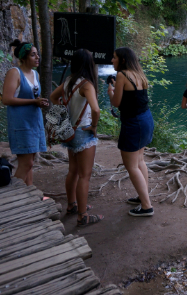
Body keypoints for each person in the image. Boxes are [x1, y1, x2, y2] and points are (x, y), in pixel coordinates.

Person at [50, 49, 103, 226]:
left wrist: (64, 111)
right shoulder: (86, 85)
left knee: (73, 171)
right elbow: (96, 109)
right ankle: (82, 215)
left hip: (69, 132)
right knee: (85, 176)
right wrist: (94, 126)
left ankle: (72, 205)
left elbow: (52, 97)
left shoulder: (68, 82)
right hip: (83, 132)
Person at [107, 47, 155, 217]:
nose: (112, 60)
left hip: (134, 123)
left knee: (131, 165)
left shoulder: (122, 75)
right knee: (140, 160)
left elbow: (117, 102)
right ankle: (144, 197)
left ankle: (146, 206)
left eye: (114, 58)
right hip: (146, 119)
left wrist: (111, 92)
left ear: (123, 60)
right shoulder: (139, 74)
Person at [2, 40, 48, 185]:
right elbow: (6, 99)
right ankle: (13, 196)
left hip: (35, 121)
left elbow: (33, 97)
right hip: (21, 123)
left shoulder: (35, 74)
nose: (37, 57)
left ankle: (30, 193)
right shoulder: (14, 73)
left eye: (37, 54)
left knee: (30, 162)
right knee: (26, 163)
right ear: (23, 57)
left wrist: (39, 101)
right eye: (33, 55)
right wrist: (33, 102)